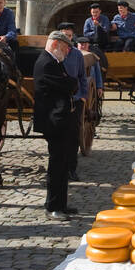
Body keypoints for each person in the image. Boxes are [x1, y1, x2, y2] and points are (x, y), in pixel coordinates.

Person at [33, 31, 79, 220]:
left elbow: (68, 82)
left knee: (63, 164)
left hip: (60, 120)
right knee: (56, 165)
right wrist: (71, 83)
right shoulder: (46, 63)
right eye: (66, 47)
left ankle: (62, 203)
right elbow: (69, 84)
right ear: (56, 44)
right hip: (53, 121)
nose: (68, 52)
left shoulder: (55, 62)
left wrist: (70, 82)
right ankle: (53, 206)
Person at [58, 24, 88, 181]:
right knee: (59, 136)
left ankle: (72, 168)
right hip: (59, 101)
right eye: (64, 35)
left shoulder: (77, 54)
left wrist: (83, 96)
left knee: (74, 135)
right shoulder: (53, 54)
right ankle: (59, 167)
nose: (66, 39)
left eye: (69, 36)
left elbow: (83, 76)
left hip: (75, 101)